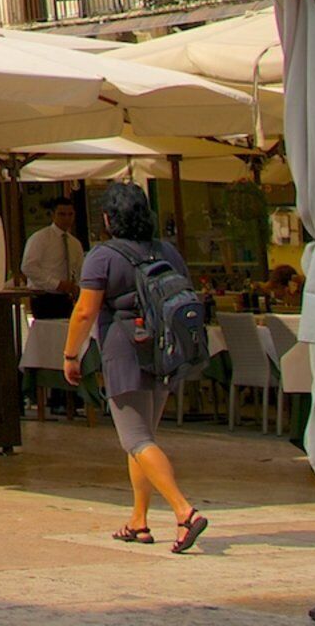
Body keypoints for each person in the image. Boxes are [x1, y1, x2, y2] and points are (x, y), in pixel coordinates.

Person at [66, 182, 206, 553]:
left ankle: (184, 512)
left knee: (136, 439)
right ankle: (138, 520)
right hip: (162, 350)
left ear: (109, 218)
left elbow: (84, 311)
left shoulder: (102, 256)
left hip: (123, 350)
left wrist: (69, 355)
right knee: (143, 440)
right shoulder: (168, 251)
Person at [22, 195, 88, 321]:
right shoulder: (40, 238)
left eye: (70, 214)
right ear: (53, 215)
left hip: (67, 298)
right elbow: (28, 267)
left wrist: (77, 288)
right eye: (62, 214)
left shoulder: (74, 243)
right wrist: (56, 284)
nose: (67, 218)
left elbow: (80, 269)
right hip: (44, 297)